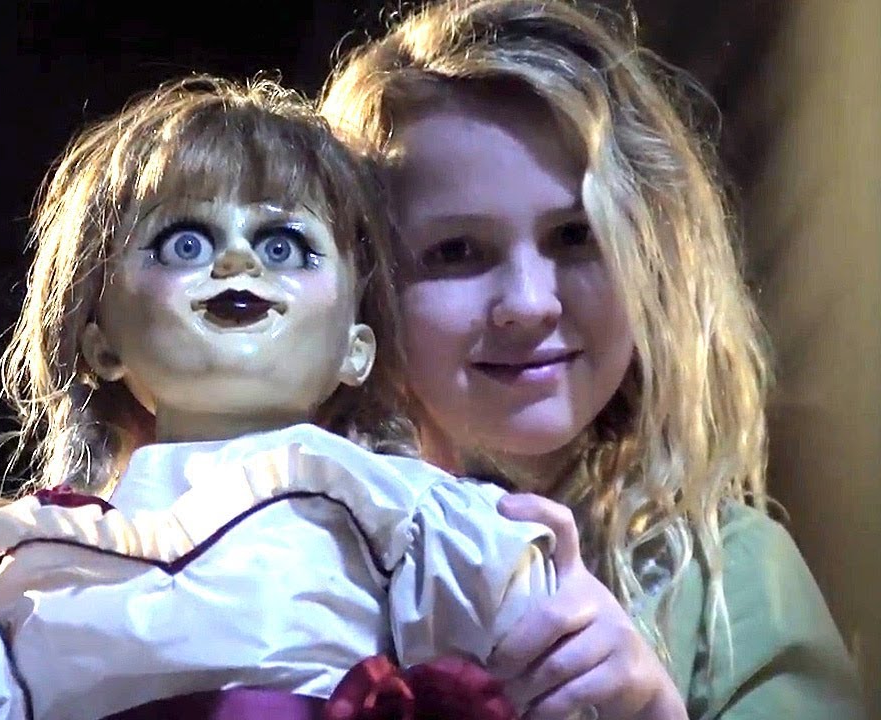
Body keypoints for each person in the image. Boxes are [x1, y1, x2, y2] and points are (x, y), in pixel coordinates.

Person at [0, 76, 558, 720]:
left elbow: (539, 669)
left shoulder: (402, 514)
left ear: (356, 346)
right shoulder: (16, 555)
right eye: (184, 241)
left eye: (283, 243)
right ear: (100, 342)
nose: (237, 261)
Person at [318, 1, 865, 719]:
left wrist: (652, 708)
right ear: (359, 284)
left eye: (577, 236)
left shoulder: (731, 581)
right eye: (456, 251)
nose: (529, 303)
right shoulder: (286, 551)